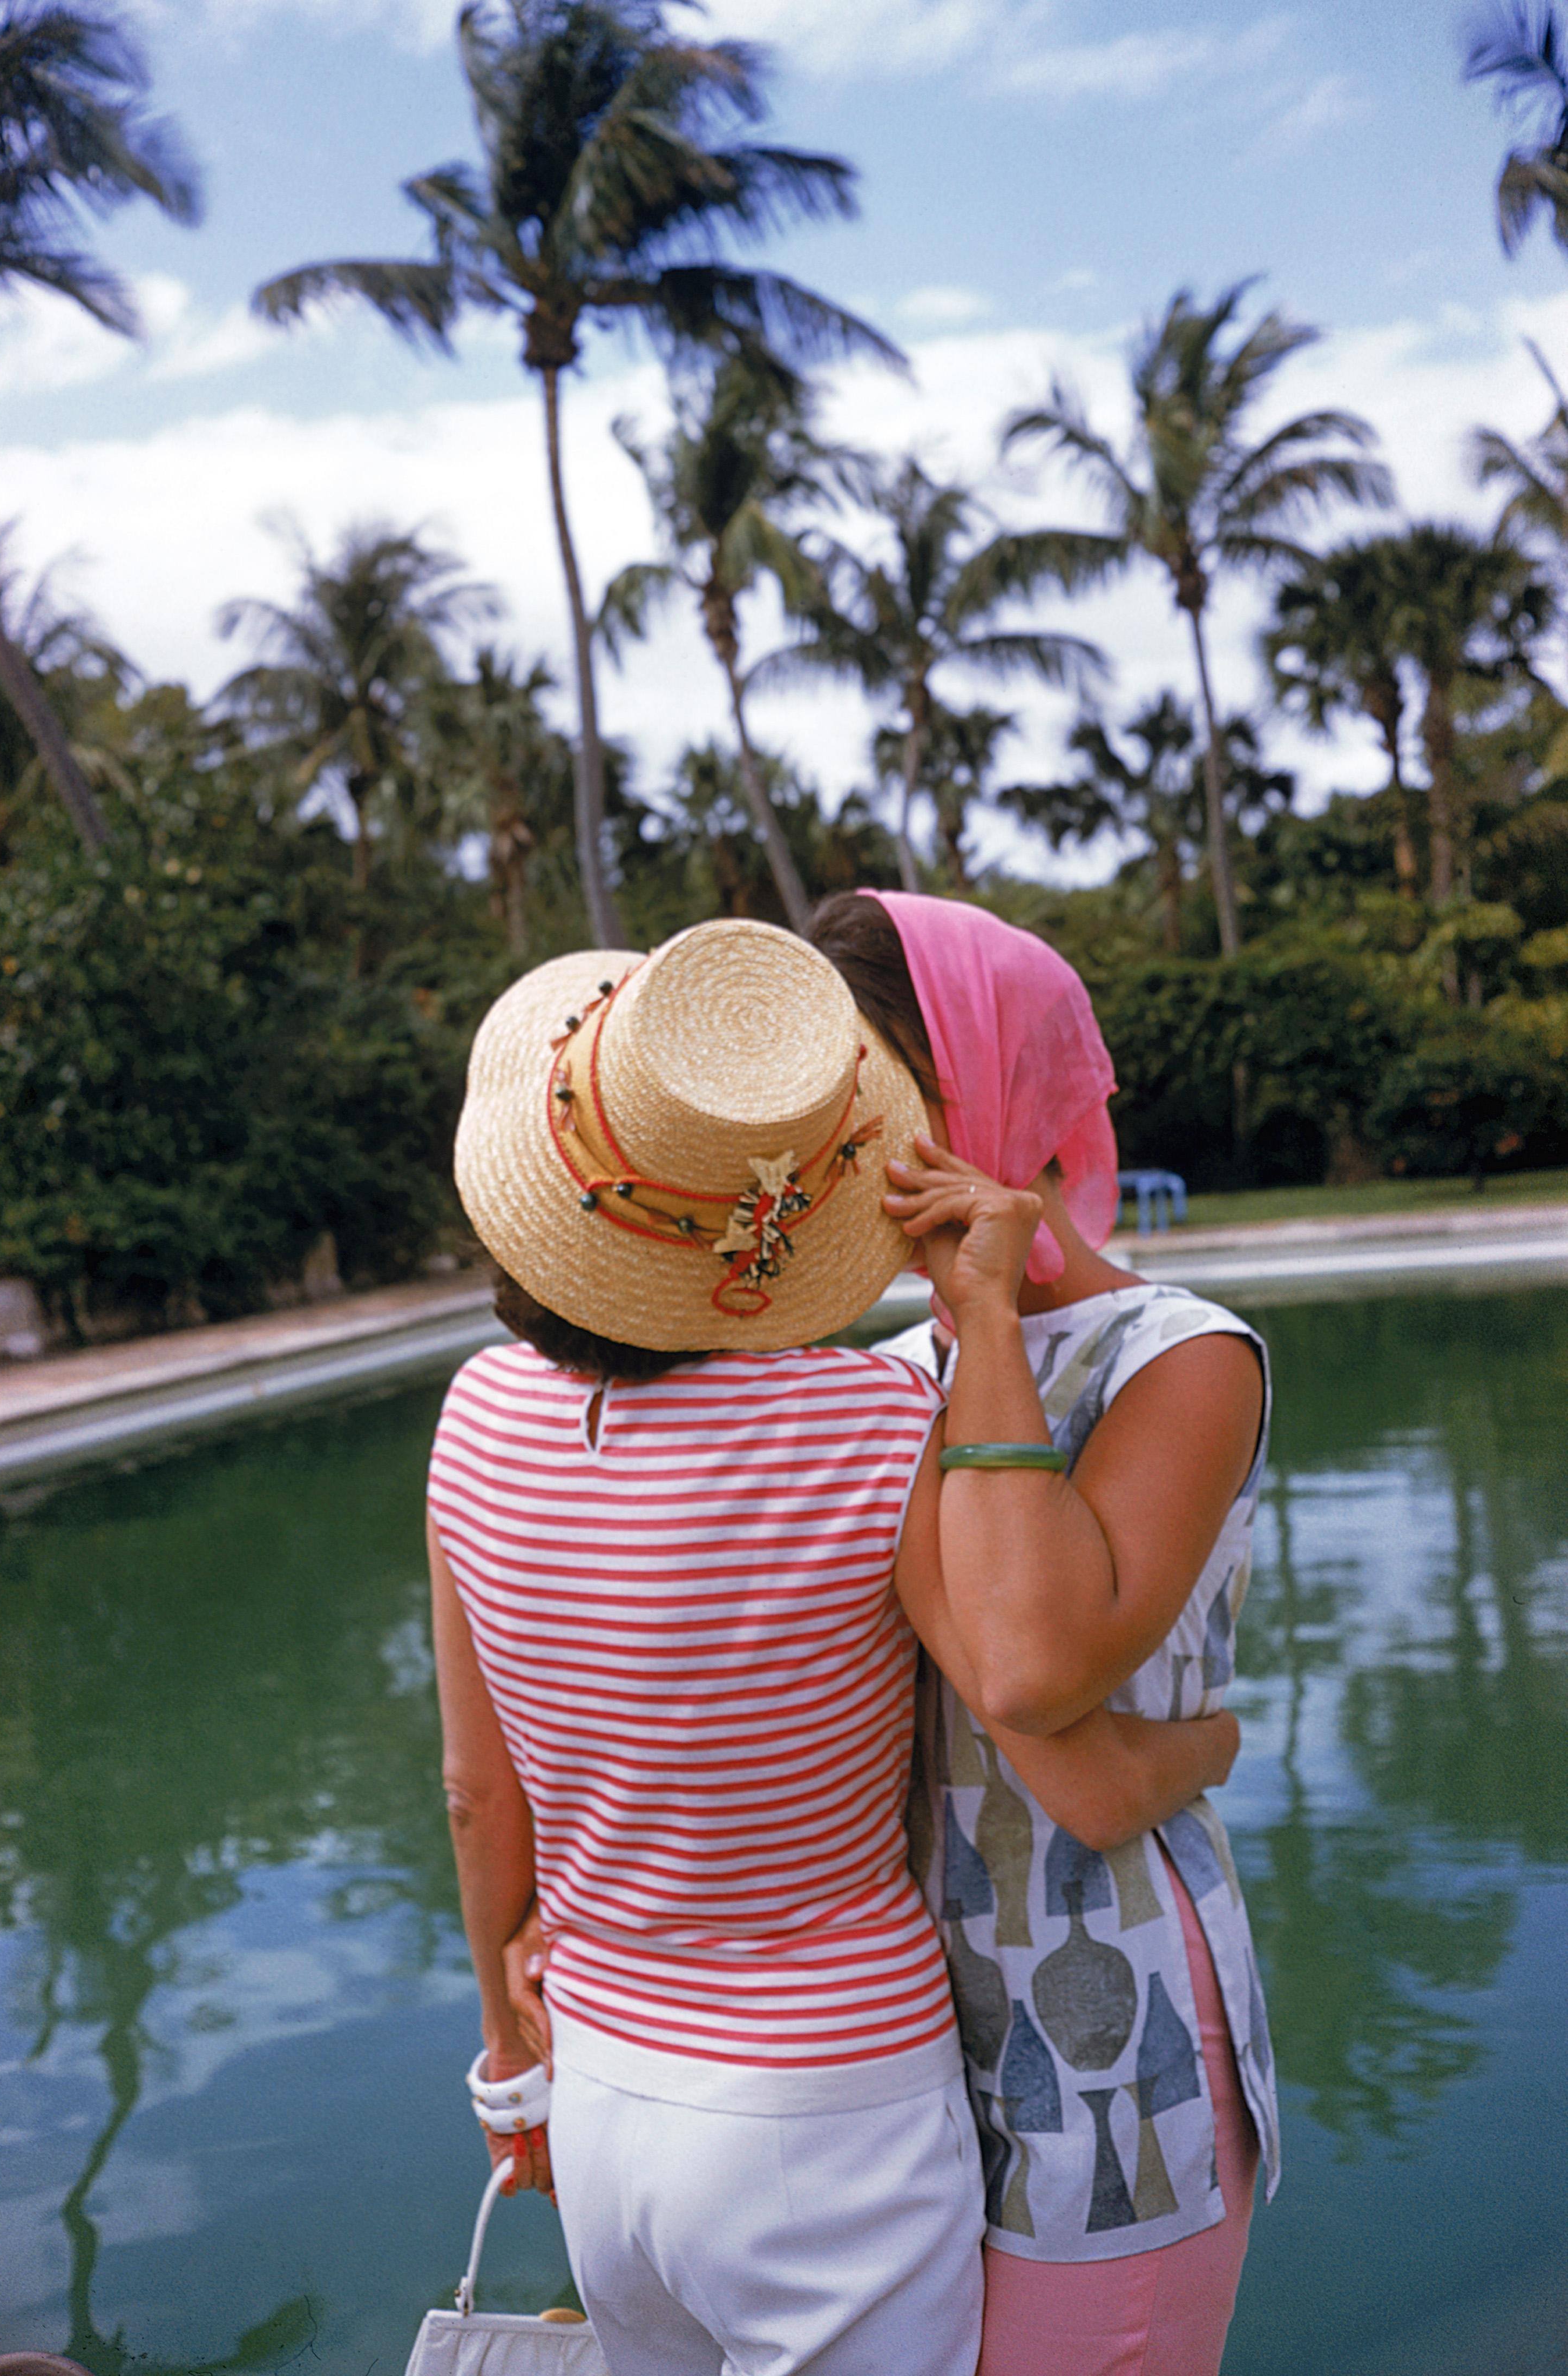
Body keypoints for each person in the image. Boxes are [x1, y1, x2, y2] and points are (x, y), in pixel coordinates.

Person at [428, 917, 1239, 2376]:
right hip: (832, 2097)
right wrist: (1217, 1742)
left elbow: (482, 1793)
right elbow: (1050, 1720)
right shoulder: (874, 1418)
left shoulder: (477, 1415)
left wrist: (512, 2068)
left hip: (616, 2088)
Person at [809, 889, 1280, 2376]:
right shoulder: (884, 1370)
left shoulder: (1182, 1359)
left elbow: (1027, 1667)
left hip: (1109, 2039)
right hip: (889, 2061)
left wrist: (995, 1326)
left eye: (870, 1097)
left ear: (979, 1088)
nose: (838, 1153)